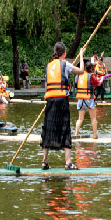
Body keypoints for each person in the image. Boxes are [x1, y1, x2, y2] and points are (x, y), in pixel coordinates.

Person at [41, 41, 86, 170]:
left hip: (50, 100)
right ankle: (68, 162)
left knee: (48, 128)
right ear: (64, 53)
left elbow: (47, 85)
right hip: (61, 100)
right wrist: (81, 55)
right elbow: (81, 71)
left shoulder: (48, 66)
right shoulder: (65, 64)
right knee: (65, 128)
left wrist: (49, 96)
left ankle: (44, 161)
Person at [73, 59, 104, 139]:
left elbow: (76, 85)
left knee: (80, 119)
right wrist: (102, 79)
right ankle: (95, 135)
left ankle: (76, 134)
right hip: (89, 99)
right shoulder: (91, 76)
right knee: (93, 118)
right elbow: (98, 83)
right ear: (90, 68)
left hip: (80, 99)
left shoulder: (78, 76)